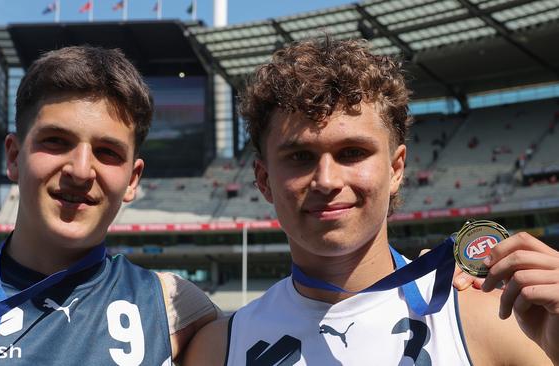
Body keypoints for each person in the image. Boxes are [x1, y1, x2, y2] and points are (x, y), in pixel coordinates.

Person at [184, 38, 559, 365]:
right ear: (263, 179)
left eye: (352, 152)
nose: (327, 180)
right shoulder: (217, 349)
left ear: (396, 169)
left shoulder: (490, 320)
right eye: (299, 157)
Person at [0, 46, 218, 364]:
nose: (81, 170)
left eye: (107, 151)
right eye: (56, 141)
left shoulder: (176, 311)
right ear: (14, 157)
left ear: (133, 180)